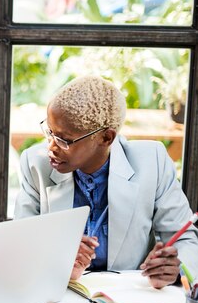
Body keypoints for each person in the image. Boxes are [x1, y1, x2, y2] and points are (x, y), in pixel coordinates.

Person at [14, 75, 198, 288]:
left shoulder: (151, 162)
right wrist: (56, 256)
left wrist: (174, 270)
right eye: (50, 132)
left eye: (64, 140)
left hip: (128, 296)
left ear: (106, 138)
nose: (51, 147)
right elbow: (20, 243)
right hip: (60, 293)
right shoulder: (36, 163)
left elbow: (185, 241)